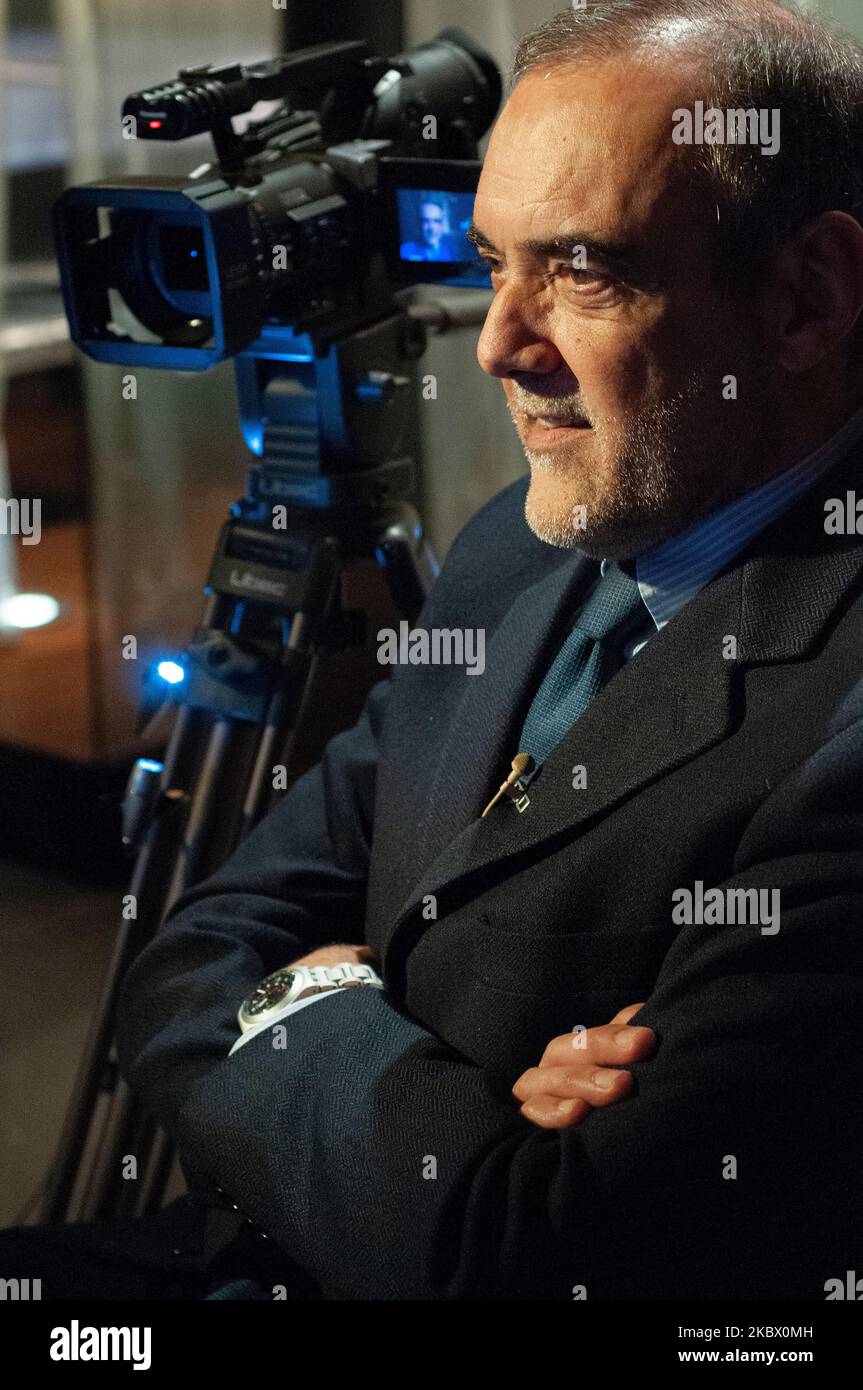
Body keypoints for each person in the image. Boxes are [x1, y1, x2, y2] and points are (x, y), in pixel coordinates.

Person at [3, 0, 863, 1299]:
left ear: (804, 299)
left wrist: (322, 1010)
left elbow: (529, 1251)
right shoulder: (505, 557)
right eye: (486, 262)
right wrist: (456, 1098)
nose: (499, 346)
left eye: (581, 271)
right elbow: (198, 941)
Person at [400, 196, 462, 260]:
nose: (432, 228)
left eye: (437, 221)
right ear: (419, 223)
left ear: (442, 223)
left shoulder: (453, 251)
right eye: (426, 221)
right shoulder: (404, 251)